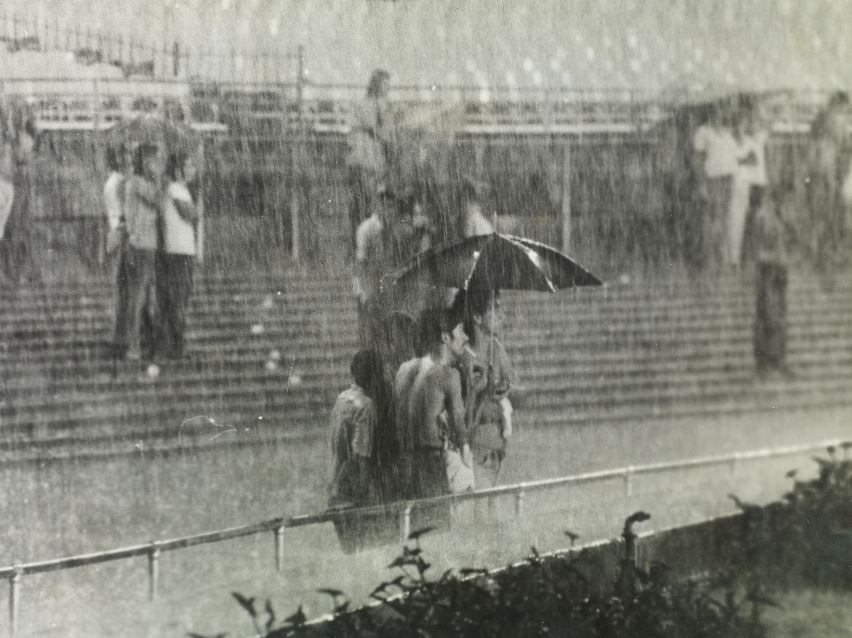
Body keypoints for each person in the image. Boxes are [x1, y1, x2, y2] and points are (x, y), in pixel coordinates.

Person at [406, 305, 472, 501]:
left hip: (411, 460)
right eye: (460, 331)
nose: (466, 337)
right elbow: (460, 430)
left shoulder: (416, 371)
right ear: (445, 337)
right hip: (433, 461)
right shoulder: (449, 375)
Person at [460, 287, 520, 487]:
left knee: (493, 500)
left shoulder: (496, 348)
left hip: (497, 435)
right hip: (476, 436)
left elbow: (515, 387)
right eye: (495, 309)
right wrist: (480, 389)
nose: (501, 315)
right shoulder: (465, 356)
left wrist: (506, 390)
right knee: (479, 496)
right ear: (477, 317)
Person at [328, 350, 386, 553]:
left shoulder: (341, 400)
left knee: (349, 553)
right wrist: (367, 499)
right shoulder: (366, 406)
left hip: (335, 489)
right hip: (353, 494)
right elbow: (360, 456)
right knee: (366, 552)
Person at [121, 144, 165, 362]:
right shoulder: (138, 183)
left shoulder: (138, 182)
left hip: (145, 245)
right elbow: (158, 200)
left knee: (144, 297)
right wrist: (158, 178)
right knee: (139, 298)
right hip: (141, 246)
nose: (158, 164)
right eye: (155, 160)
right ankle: (134, 345)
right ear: (145, 161)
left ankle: (143, 344)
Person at [156, 151, 199, 359]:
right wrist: (195, 209)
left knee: (177, 298)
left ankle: (172, 343)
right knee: (180, 298)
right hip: (180, 250)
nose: (193, 170)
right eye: (189, 165)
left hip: (178, 249)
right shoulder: (176, 189)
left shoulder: (178, 189)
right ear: (179, 169)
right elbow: (190, 214)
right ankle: (177, 345)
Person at [346, 69, 393, 257]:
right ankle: (364, 249)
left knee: (367, 205)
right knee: (369, 206)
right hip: (367, 161)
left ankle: (364, 248)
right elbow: (381, 132)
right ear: (377, 85)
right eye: (385, 85)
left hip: (367, 161)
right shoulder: (369, 104)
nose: (387, 89)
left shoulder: (374, 104)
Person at [805, 91, 850, 275]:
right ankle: (820, 254)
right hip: (821, 176)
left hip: (826, 176)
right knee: (822, 216)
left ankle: (821, 255)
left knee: (825, 216)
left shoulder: (826, 137)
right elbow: (813, 161)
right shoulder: (826, 132)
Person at [753, 190, 794, 380]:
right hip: (766, 267)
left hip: (780, 267)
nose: (783, 201)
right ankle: (763, 362)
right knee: (766, 314)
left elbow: (790, 240)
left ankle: (779, 359)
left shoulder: (783, 215)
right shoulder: (763, 216)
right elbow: (761, 244)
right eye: (780, 198)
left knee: (780, 315)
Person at [693, 101, 737, 271]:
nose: (721, 113)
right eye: (718, 110)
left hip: (729, 179)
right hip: (713, 179)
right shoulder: (703, 131)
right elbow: (697, 159)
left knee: (725, 218)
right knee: (711, 219)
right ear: (711, 111)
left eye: (723, 110)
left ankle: (723, 258)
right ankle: (708, 259)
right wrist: (701, 183)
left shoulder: (728, 132)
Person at [103, 145, 130, 358]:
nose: (129, 159)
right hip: (121, 235)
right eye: (124, 154)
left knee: (121, 289)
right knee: (123, 289)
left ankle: (119, 336)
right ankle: (119, 337)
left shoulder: (114, 181)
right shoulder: (119, 183)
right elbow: (122, 214)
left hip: (116, 234)